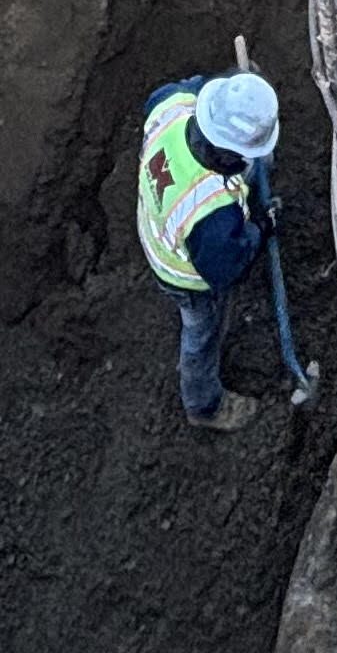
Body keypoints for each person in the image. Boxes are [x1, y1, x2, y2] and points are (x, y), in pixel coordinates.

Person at [135, 69, 280, 434]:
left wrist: (237, 91)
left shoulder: (172, 106)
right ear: (230, 154)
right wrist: (261, 228)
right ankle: (204, 404)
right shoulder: (212, 217)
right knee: (202, 334)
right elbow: (227, 268)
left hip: (158, 223)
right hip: (184, 275)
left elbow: (189, 87)